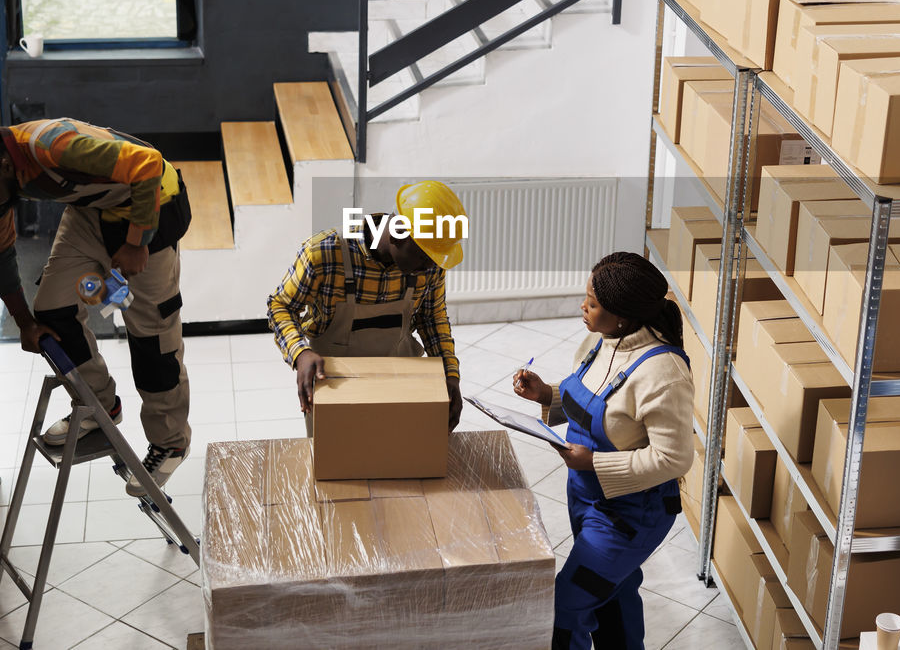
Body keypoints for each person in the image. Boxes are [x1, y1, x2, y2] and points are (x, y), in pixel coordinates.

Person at [0, 120, 192, 497]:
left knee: (151, 339)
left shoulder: (54, 146)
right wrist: (23, 322)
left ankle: (171, 441)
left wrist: (136, 241)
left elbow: (148, 164)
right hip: (90, 213)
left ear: (2, 166)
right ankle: (99, 408)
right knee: (52, 310)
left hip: (147, 206)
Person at [513, 251, 694, 650]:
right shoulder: (600, 341)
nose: (583, 307)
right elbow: (596, 400)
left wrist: (593, 461)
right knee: (613, 592)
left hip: (629, 518)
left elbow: (675, 458)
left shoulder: (663, 376)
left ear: (624, 317)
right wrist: (546, 393)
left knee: (567, 605)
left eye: (592, 303)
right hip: (587, 498)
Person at [267, 180, 468, 430]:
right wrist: (300, 353)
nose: (431, 267)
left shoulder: (428, 268)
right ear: (397, 234)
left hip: (398, 387)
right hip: (335, 388)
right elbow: (280, 306)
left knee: (397, 462)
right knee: (337, 466)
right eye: (426, 257)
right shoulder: (325, 254)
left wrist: (450, 374)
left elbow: (432, 317)